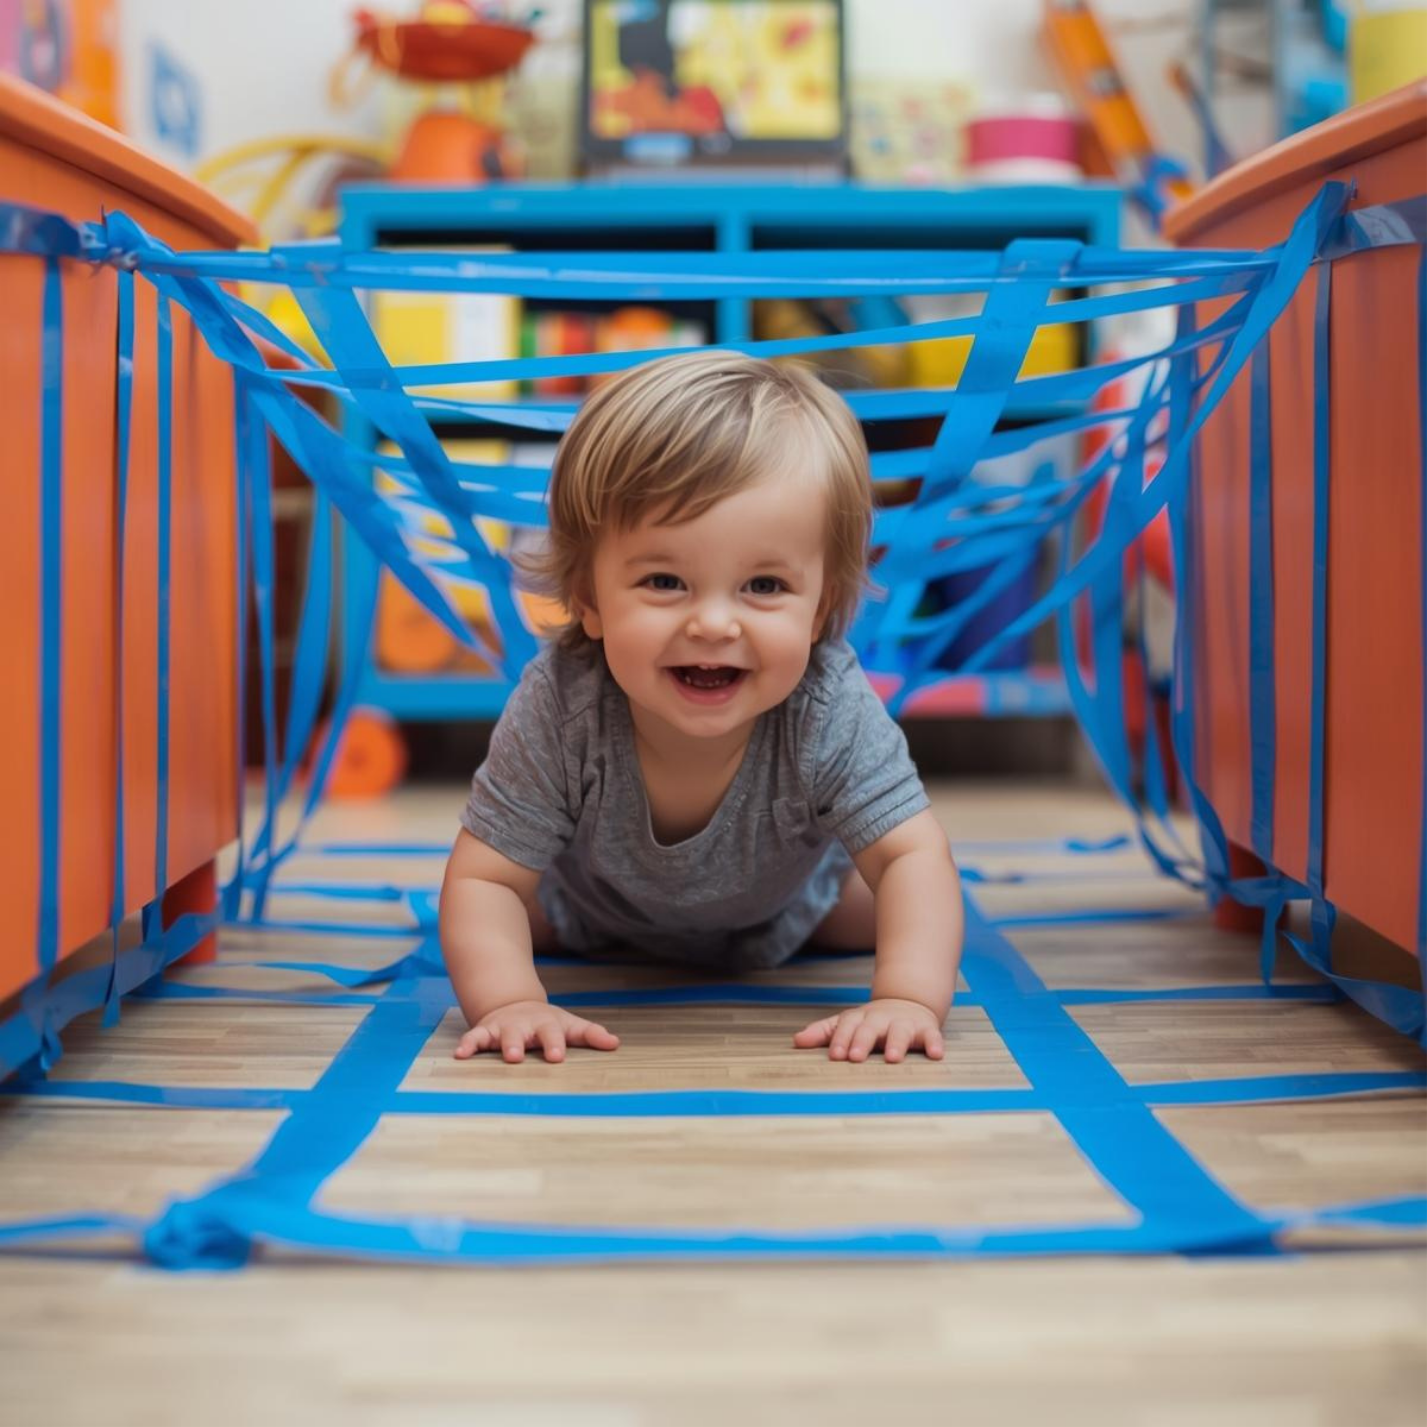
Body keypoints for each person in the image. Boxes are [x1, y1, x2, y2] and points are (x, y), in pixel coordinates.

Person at [438, 349, 964, 1065]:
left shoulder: (826, 704)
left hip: (793, 910)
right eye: (664, 580)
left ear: (821, 610)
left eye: (764, 586)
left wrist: (906, 996)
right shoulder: (564, 703)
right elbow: (485, 876)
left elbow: (910, 853)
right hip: (591, 910)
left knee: (899, 905)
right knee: (498, 912)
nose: (714, 624)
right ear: (588, 598)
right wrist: (508, 1001)